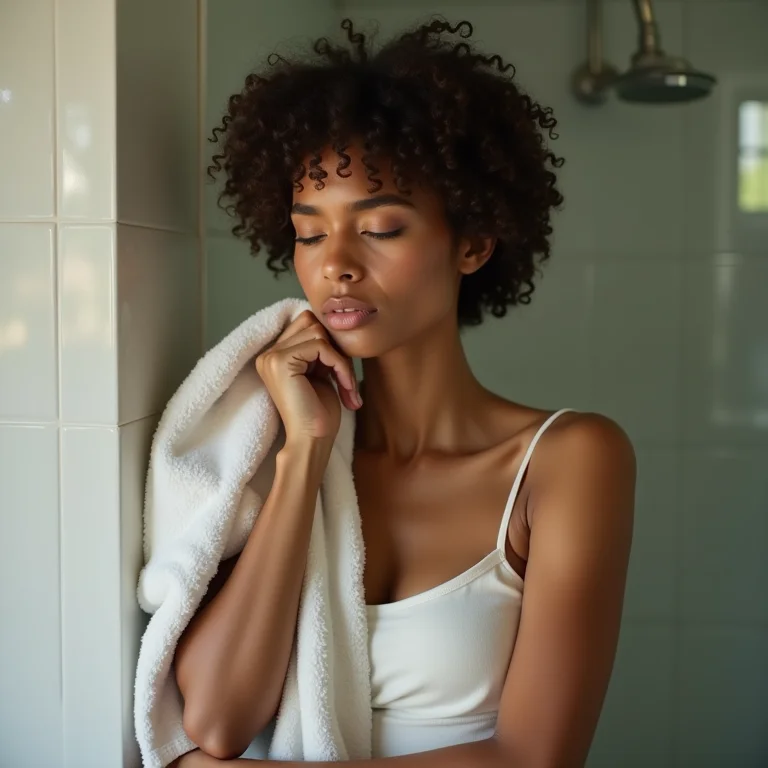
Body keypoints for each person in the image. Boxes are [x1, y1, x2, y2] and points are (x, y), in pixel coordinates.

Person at [170, 17, 636, 768]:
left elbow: (534, 758)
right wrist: (304, 460)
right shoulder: (273, 445)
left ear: (474, 241)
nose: (337, 267)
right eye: (310, 234)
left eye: (381, 228)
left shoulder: (569, 461)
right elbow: (219, 722)